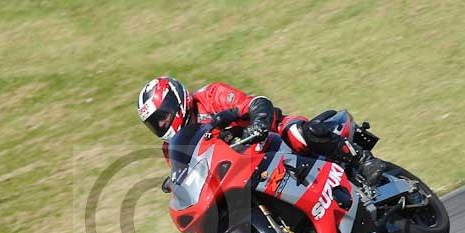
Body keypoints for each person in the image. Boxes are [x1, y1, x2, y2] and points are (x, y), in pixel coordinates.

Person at [137, 76, 386, 186]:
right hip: (243, 169)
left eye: (162, 117)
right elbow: (187, 177)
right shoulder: (172, 148)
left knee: (298, 135)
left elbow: (257, 103)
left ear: (176, 101)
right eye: (155, 124)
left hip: (273, 135)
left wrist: (258, 124)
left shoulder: (211, 95)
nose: (161, 125)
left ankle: (362, 160)